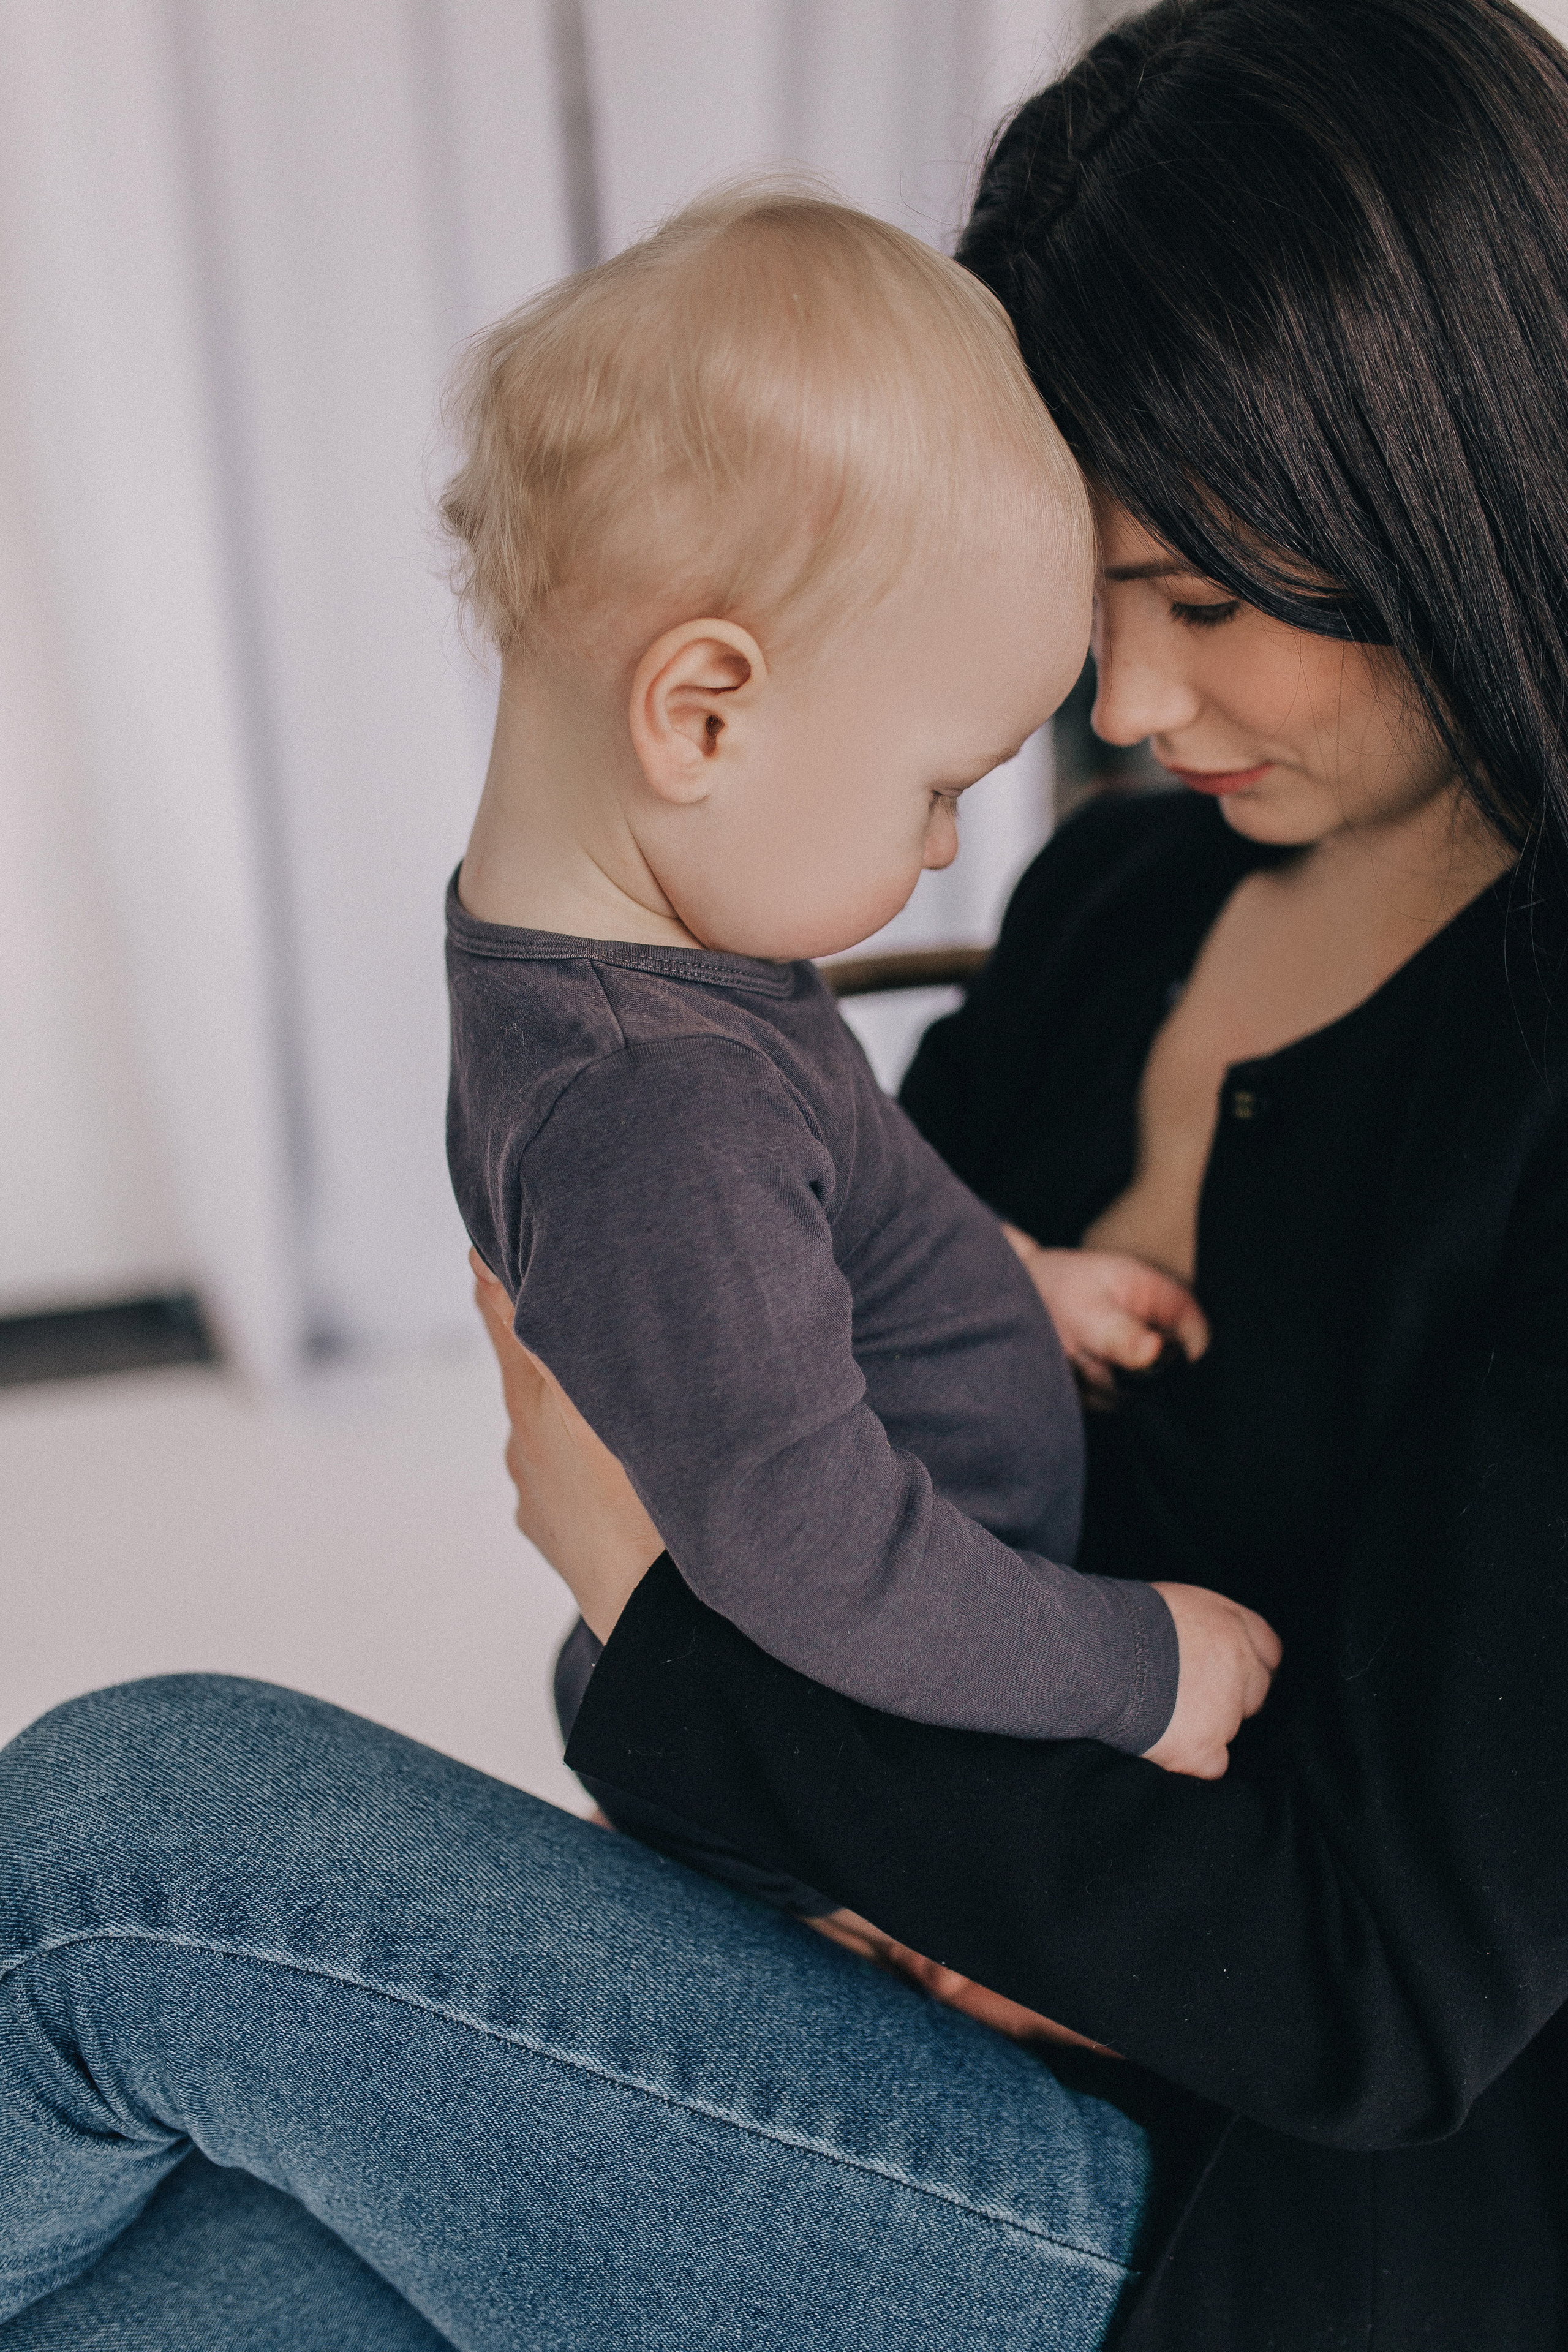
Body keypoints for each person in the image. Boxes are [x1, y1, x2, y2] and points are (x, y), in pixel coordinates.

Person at [4, 0, 1566, 2343]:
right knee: (166, 2276)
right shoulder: (1117, 909)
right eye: (1099, 602)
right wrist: (744, 1721)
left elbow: (1381, 1993)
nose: (1127, 710)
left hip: (1243, 2232)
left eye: (1211, 602)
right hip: (874, 2026)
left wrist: (662, 1632)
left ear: (1441, 480)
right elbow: (796, 1483)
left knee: (120, 1857)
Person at [441, 186, 1278, 1905]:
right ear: (703, 716)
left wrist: (1009, 1282)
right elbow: (824, 1563)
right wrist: (1136, 1667)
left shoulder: (674, 957)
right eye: (939, 787)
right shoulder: (650, 1108)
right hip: (825, 1810)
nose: (949, 846)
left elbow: (813, 1226)